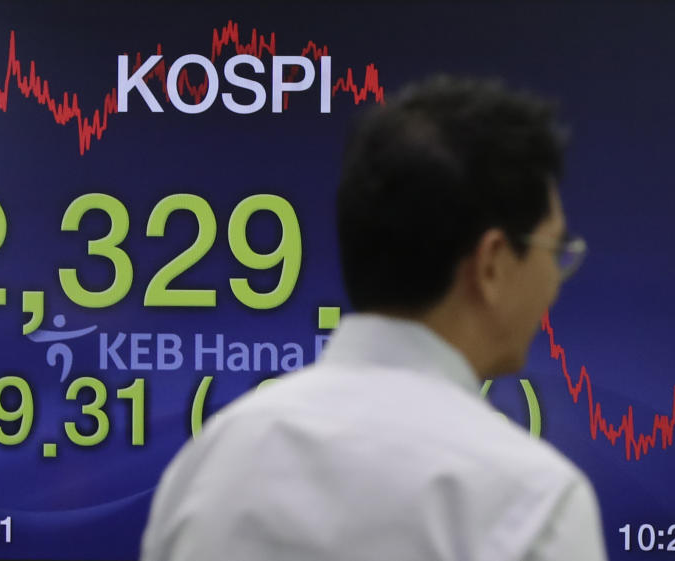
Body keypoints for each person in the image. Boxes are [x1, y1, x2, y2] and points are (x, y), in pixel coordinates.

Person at [140, 76, 607, 561]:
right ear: (490, 263)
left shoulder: (207, 466)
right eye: (554, 250)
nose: (555, 281)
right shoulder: (530, 502)